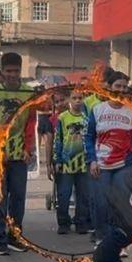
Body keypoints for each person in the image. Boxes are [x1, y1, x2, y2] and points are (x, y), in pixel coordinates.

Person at [85, 71, 132, 243]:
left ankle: (118, 241)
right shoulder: (97, 110)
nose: (121, 89)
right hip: (101, 165)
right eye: (117, 86)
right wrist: (92, 160)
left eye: (125, 87)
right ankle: (102, 238)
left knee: (119, 204)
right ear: (109, 88)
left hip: (124, 165)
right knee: (101, 203)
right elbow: (89, 137)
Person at [0, 52, 36, 256]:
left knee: (18, 197)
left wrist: (28, 148)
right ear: (3, 70)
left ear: (20, 70)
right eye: (8, 71)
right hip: (0, 154)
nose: (12, 75)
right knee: (0, 197)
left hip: (20, 155)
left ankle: (15, 236)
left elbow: (31, 123)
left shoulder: (29, 93)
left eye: (16, 71)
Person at [51, 90, 91, 235]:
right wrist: (57, 160)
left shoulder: (88, 118)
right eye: (74, 98)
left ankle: (81, 221)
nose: (77, 101)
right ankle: (63, 222)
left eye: (80, 98)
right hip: (67, 163)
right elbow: (58, 140)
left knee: (83, 195)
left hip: (84, 162)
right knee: (63, 194)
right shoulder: (62, 118)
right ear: (69, 99)